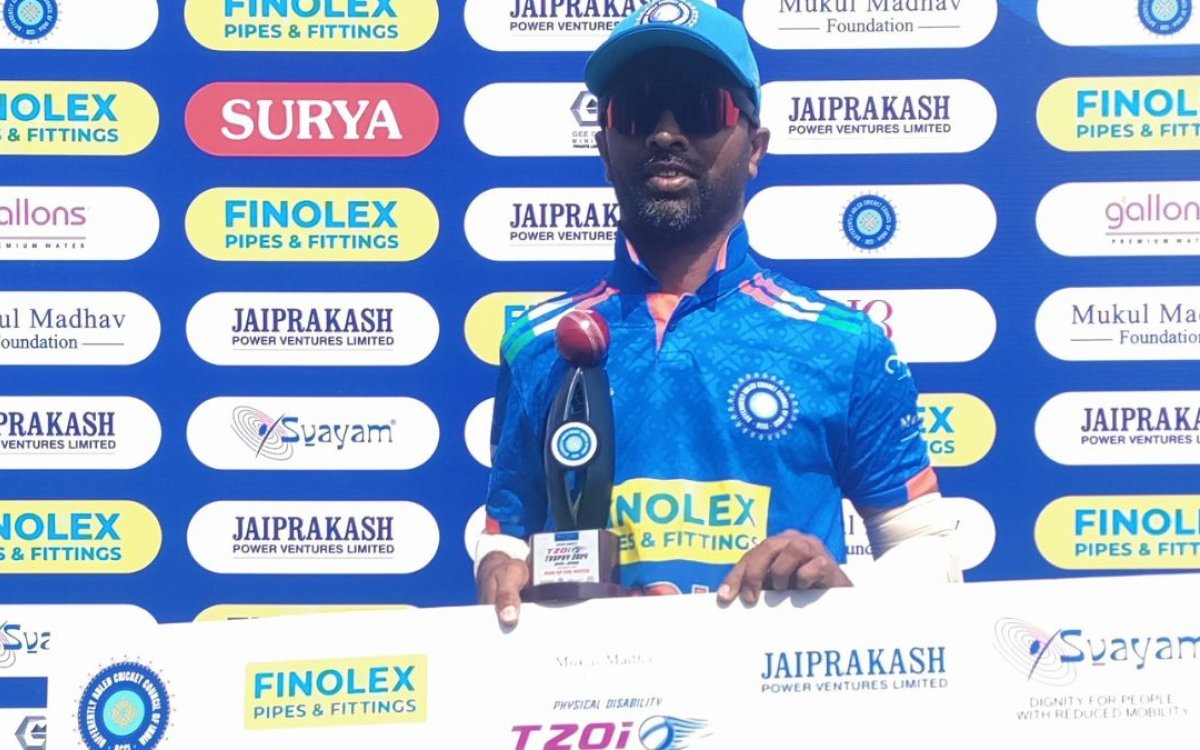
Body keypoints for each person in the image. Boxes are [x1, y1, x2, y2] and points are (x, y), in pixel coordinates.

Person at [476, 0, 960, 626]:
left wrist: (842, 589)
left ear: (754, 147)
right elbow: (507, 532)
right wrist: (500, 568)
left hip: (781, 685)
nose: (665, 134)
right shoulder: (538, 342)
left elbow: (926, 547)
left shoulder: (844, 344)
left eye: (701, 108)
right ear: (604, 148)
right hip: (590, 685)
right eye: (636, 111)